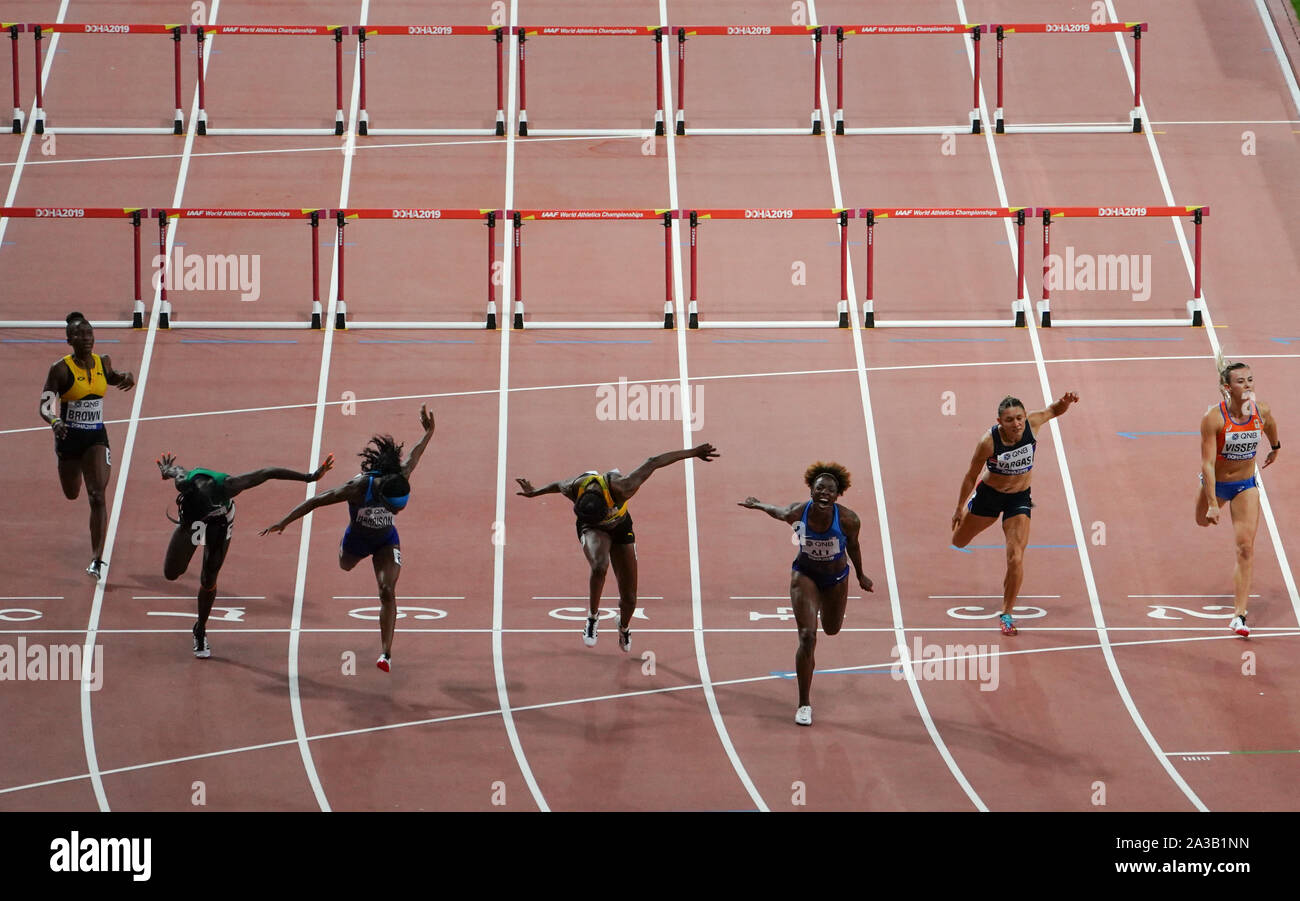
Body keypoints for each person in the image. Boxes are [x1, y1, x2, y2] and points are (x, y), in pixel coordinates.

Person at [261, 405, 435, 672]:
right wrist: (285, 521)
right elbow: (317, 501)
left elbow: (415, 453)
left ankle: (385, 654)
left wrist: (429, 431)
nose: (397, 512)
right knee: (345, 565)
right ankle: (348, 550)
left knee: (387, 591)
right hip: (357, 540)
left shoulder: (400, 476)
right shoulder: (357, 488)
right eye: (394, 509)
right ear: (384, 498)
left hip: (386, 541)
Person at [515, 443, 719, 652]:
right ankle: (592, 618)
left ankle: (623, 627)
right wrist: (535, 492)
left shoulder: (623, 487)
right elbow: (558, 485)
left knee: (630, 599)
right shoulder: (574, 487)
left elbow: (654, 462)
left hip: (620, 527)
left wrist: (694, 453)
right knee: (599, 567)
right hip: (592, 528)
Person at [157, 451, 335, 657]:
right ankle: (191, 529)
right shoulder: (183, 482)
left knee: (209, 577)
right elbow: (173, 470)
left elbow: (268, 472)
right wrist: (166, 470)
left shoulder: (227, 486)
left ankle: (200, 629)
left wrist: (309, 477)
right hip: (195, 522)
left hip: (219, 521)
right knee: (171, 572)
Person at [739, 462, 874, 727]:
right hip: (805, 576)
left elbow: (855, 547)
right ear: (811, 491)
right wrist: (757, 504)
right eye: (820, 488)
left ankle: (820, 608)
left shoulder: (848, 519)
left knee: (832, 629)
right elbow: (776, 511)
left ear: (837, 495)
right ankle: (804, 704)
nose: (825, 493)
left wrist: (860, 575)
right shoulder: (797, 512)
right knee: (807, 636)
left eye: (830, 490)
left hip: (836, 578)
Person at [951, 392, 1079, 636]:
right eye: (1010, 420)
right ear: (1000, 422)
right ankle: (970, 518)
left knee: (1016, 557)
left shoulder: (1032, 423)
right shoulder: (988, 442)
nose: (1017, 424)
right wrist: (959, 507)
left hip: (1019, 498)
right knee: (958, 541)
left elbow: (1053, 410)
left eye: (1019, 418)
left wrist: (1064, 403)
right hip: (989, 495)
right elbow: (970, 475)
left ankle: (1007, 614)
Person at [39, 312, 135, 581]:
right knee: (72, 493)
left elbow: (113, 377)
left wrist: (126, 376)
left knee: (97, 496)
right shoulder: (60, 369)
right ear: (70, 339)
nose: (87, 338)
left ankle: (96, 559)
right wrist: (55, 420)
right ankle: (77, 469)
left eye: (90, 333)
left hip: (95, 437)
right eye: (80, 335)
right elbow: (45, 404)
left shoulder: (102, 363)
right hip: (68, 439)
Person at [1196, 361, 1281, 638]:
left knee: (1245, 547)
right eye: (1241, 381)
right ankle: (1209, 504)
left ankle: (1239, 616)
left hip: (1246, 485)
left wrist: (1275, 447)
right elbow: (1207, 464)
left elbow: (1270, 425)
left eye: (1250, 380)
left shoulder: (1261, 410)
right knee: (1201, 523)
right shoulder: (1213, 418)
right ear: (1227, 388)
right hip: (1218, 484)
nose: (1247, 386)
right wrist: (1210, 501)